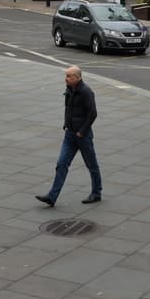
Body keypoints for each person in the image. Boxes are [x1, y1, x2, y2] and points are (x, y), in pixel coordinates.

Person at [35, 65, 102, 207]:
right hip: (70, 135)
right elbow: (68, 108)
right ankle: (52, 197)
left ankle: (96, 193)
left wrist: (82, 131)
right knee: (61, 164)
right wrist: (66, 124)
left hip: (83, 136)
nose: (66, 79)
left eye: (69, 76)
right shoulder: (70, 89)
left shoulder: (86, 92)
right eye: (66, 76)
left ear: (78, 78)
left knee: (92, 165)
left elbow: (93, 113)